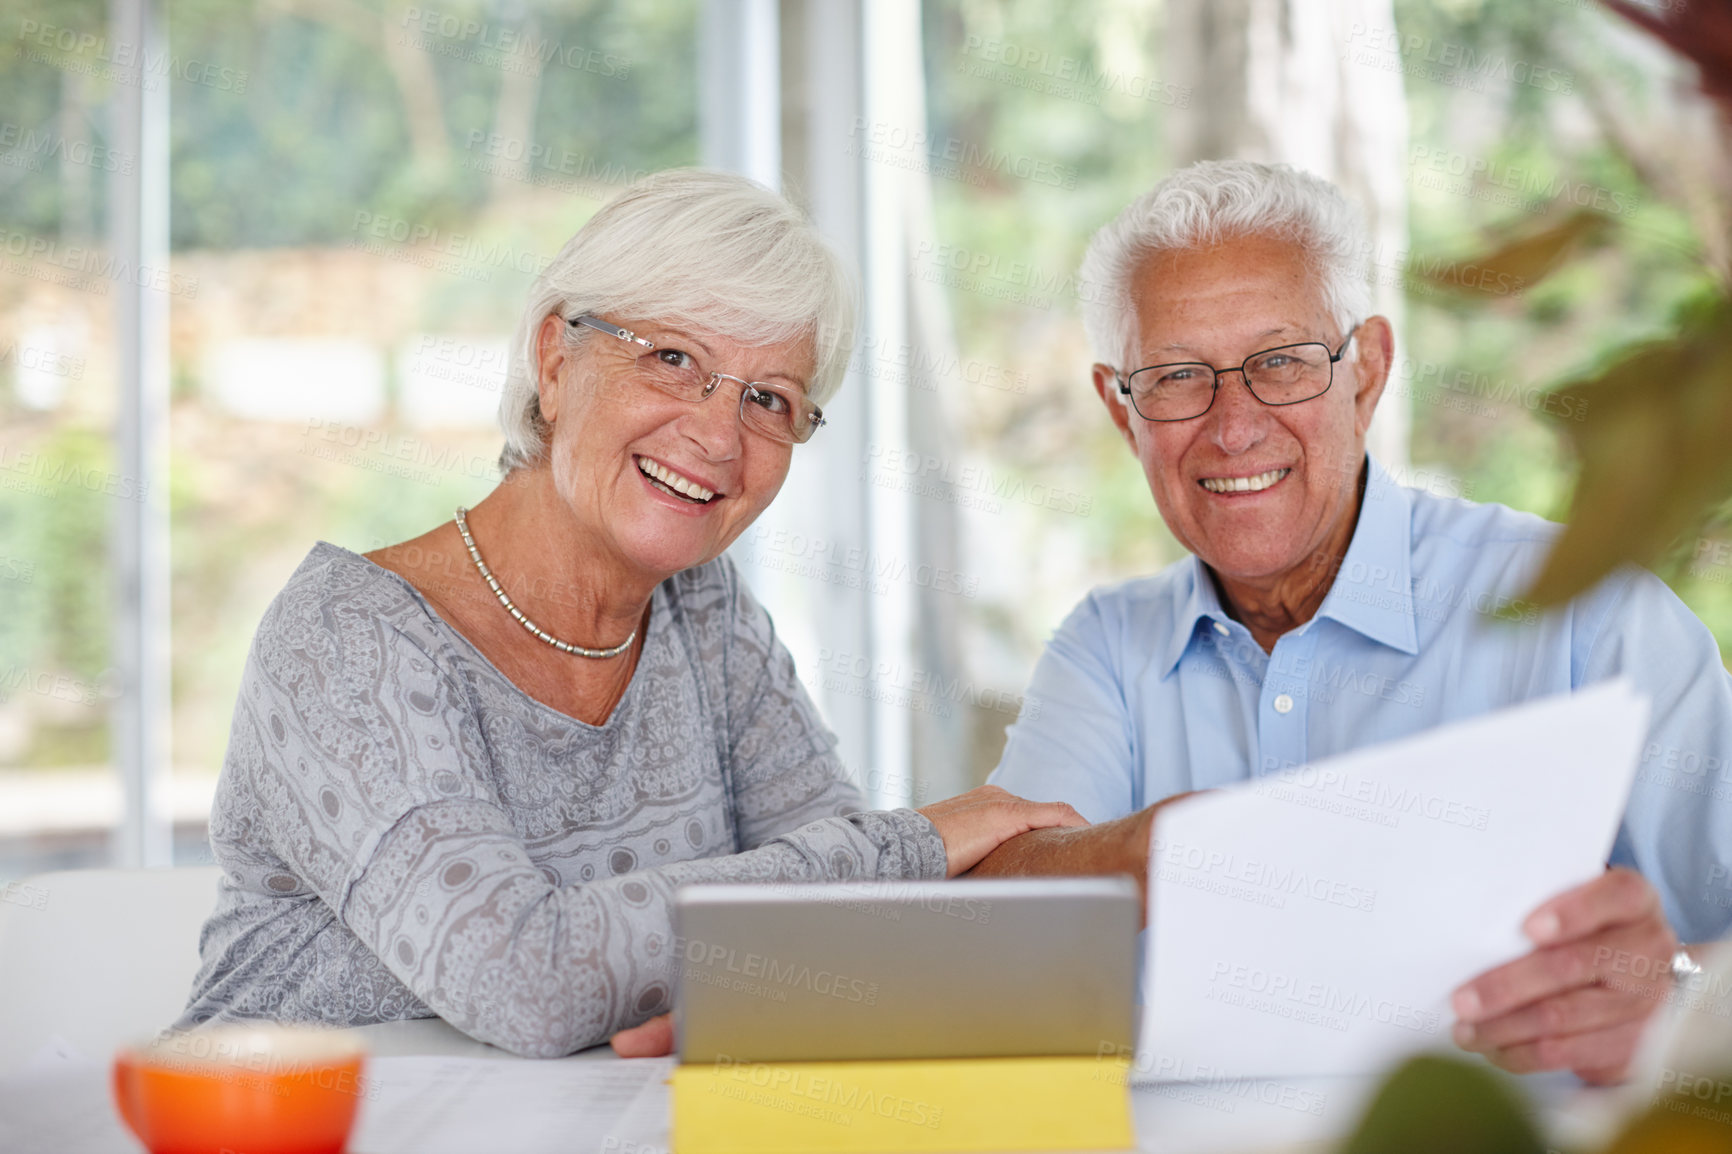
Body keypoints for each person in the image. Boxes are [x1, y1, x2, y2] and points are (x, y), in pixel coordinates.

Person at [179, 169, 1082, 1058]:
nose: (720, 436)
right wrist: (910, 847)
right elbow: (522, 980)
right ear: (555, 359)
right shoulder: (348, 637)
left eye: (770, 399)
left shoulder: (703, 612)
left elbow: (835, 924)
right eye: (675, 359)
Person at [975, 159, 1732, 1084]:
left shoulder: (1594, 615)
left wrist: (1674, 997)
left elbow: (1709, 967)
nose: (1233, 427)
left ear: (1366, 371)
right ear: (1120, 409)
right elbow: (988, 927)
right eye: (1177, 377)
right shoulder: (1105, 647)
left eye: (1282, 363)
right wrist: (1162, 852)